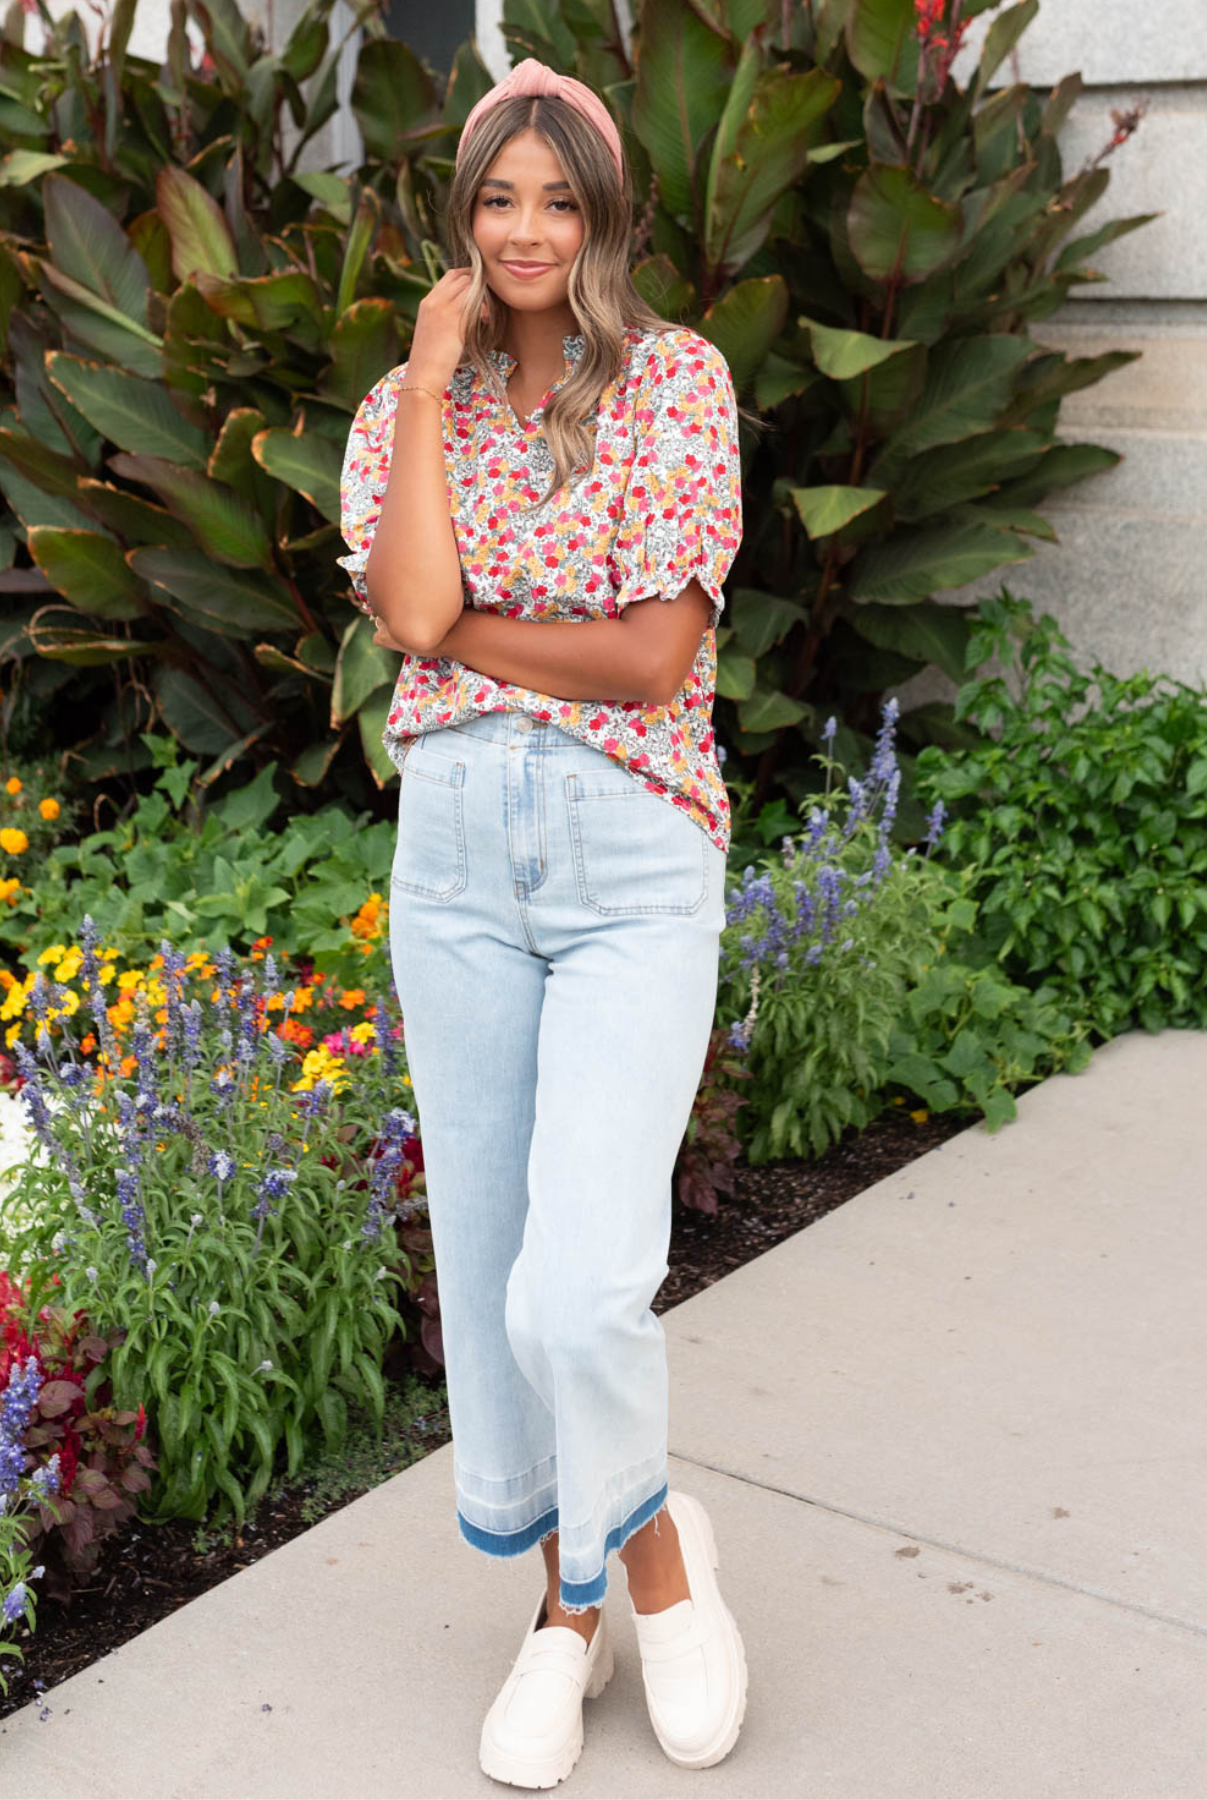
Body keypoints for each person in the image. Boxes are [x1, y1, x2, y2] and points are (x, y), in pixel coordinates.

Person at [337, 54, 749, 1790]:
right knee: (499, 1272)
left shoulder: (675, 384)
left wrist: (467, 645)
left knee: (583, 1285)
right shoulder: (396, 408)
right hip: (454, 867)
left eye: (556, 197)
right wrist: (431, 375)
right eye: (496, 197)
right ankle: (572, 1609)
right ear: (461, 218)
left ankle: (652, 1569)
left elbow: (655, 656)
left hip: (628, 858)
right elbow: (407, 596)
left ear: (604, 213)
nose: (523, 229)